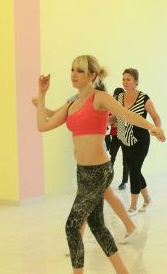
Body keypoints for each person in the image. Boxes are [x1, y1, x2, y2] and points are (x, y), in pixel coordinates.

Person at [36, 55, 165, 274]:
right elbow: (43, 124)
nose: (74, 74)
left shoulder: (100, 98)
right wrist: (42, 94)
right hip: (82, 171)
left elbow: (126, 115)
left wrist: (153, 127)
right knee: (96, 225)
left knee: (72, 225)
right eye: (72, 70)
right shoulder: (72, 103)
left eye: (80, 71)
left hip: (100, 171)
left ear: (92, 76)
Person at [32, 89, 136, 241]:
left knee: (84, 201)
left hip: (97, 162)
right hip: (85, 164)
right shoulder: (74, 99)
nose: (75, 77)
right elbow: (55, 115)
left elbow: (121, 115)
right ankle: (129, 226)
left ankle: (78, 240)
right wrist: (40, 105)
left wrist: (151, 127)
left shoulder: (98, 97)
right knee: (103, 196)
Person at [116, 68, 162, 217]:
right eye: (123, 79)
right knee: (134, 170)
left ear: (136, 81)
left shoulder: (144, 98)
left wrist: (157, 129)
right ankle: (147, 199)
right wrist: (105, 122)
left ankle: (133, 206)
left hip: (140, 140)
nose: (125, 82)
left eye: (128, 79)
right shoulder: (119, 97)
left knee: (134, 170)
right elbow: (116, 117)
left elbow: (156, 117)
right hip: (124, 139)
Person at [109, 87, 129, 190]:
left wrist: (118, 122)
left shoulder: (126, 106)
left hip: (124, 136)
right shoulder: (111, 106)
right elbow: (108, 119)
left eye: (116, 95)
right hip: (115, 136)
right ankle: (107, 181)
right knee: (111, 158)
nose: (115, 96)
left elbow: (129, 120)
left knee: (125, 161)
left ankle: (124, 182)